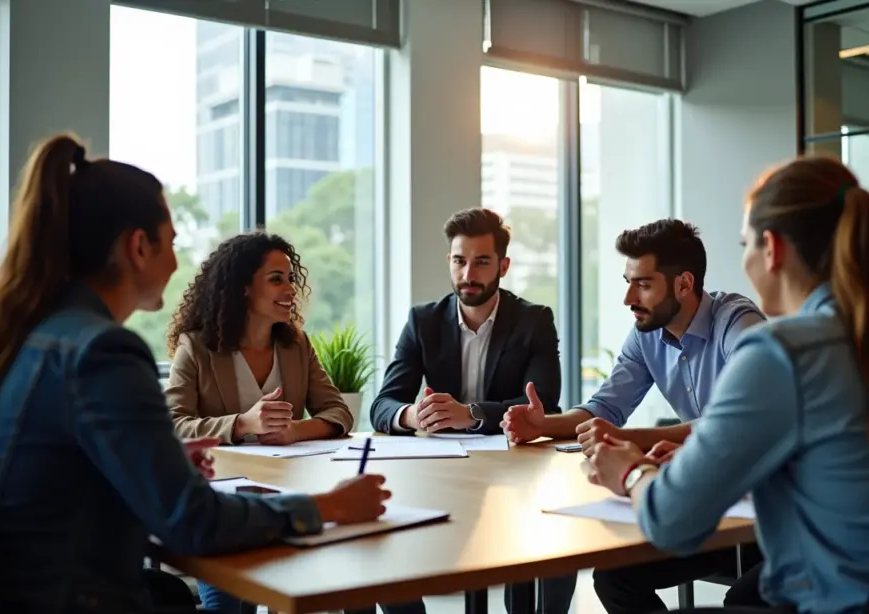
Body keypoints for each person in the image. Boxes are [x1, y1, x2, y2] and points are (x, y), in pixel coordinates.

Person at [0, 134, 390, 614]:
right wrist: (327, 507)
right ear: (138, 248)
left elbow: (59, 481)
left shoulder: (32, 334)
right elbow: (193, 522)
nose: (175, 261)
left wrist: (159, 462)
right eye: (170, 242)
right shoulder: (103, 350)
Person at [587, 156, 869, 614]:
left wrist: (629, 471)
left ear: (771, 249)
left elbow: (671, 522)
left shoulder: (781, 351)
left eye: (744, 244)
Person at [500, 219, 765, 613]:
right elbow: (606, 407)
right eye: (628, 281)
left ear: (684, 284)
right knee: (614, 577)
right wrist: (544, 425)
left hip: (759, 518)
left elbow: (739, 421)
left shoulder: (738, 323)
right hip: (707, 507)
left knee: (739, 600)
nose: (628, 297)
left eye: (642, 284)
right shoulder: (646, 333)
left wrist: (632, 443)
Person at [367, 207, 575, 614]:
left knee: (556, 541)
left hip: (516, 474)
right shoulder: (422, 321)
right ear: (449, 261)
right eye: (460, 261)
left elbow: (544, 403)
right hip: (441, 475)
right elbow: (383, 405)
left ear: (503, 265)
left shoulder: (534, 320)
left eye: (481, 262)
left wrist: (473, 413)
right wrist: (415, 415)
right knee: (380, 543)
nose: (468, 274)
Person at [166, 232, 354, 445]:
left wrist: (296, 430)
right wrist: (242, 424)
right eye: (276, 279)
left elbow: (339, 413)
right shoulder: (195, 348)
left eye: (290, 279)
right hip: (221, 474)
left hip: (284, 472)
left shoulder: (297, 346)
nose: (291, 289)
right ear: (242, 287)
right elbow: (173, 424)